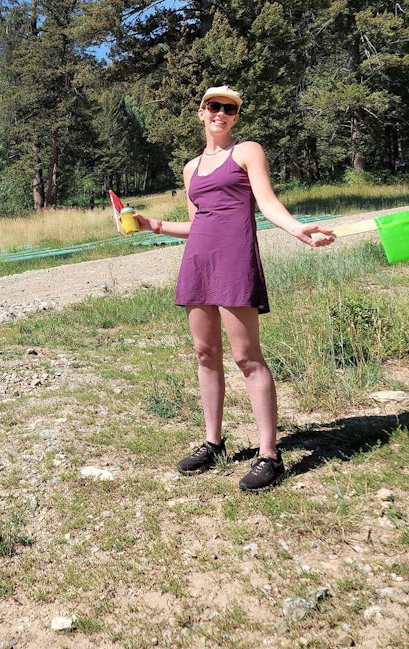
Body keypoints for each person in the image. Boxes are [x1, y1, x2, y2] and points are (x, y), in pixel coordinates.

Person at [123, 85, 335, 491]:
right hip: (198, 262)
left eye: (229, 109)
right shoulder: (190, 168)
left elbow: (267, 203)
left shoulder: (248, 151)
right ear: (201, 113)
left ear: (235, 117)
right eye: (213, 107)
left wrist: (297, 229)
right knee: (205, 352)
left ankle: (270, 455)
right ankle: (213, 442)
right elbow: (198, 221)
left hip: (235, 258)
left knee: (246, 356)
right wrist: (154, 226)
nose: (220, 113)